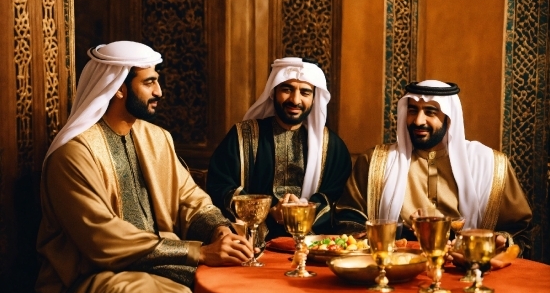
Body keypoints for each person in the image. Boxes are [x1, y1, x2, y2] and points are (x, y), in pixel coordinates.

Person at [35, 41, 253, 293]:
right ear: (118, 87)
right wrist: (197, 253)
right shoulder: (73, 154)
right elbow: (100, 239)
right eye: (149, 82)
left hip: (170, 262)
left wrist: (218, 230)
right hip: (96, 276)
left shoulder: (157, 138)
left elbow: (190, 198)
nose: (159, 91)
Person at [335, 80, 532, 261]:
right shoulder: (375, 162)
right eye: (413, 110)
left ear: (449, 118)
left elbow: (519, 231)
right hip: (396, 268)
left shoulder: (489, 164)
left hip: (463, 272)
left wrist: (501, 240)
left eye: (430, 112)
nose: (419, 121)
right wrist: (393, 235)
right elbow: (348, 220)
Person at [207, 57, 353, 242]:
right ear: (273, 92)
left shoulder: (332, 147)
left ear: (314, 99)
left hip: (311, 244)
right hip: (251, 243)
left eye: (305, 92)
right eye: (287, 89)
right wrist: (267, 210)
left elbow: (338, 198)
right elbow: (220, 186)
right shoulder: (242, 136)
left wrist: (302, 212)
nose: (295, 100)